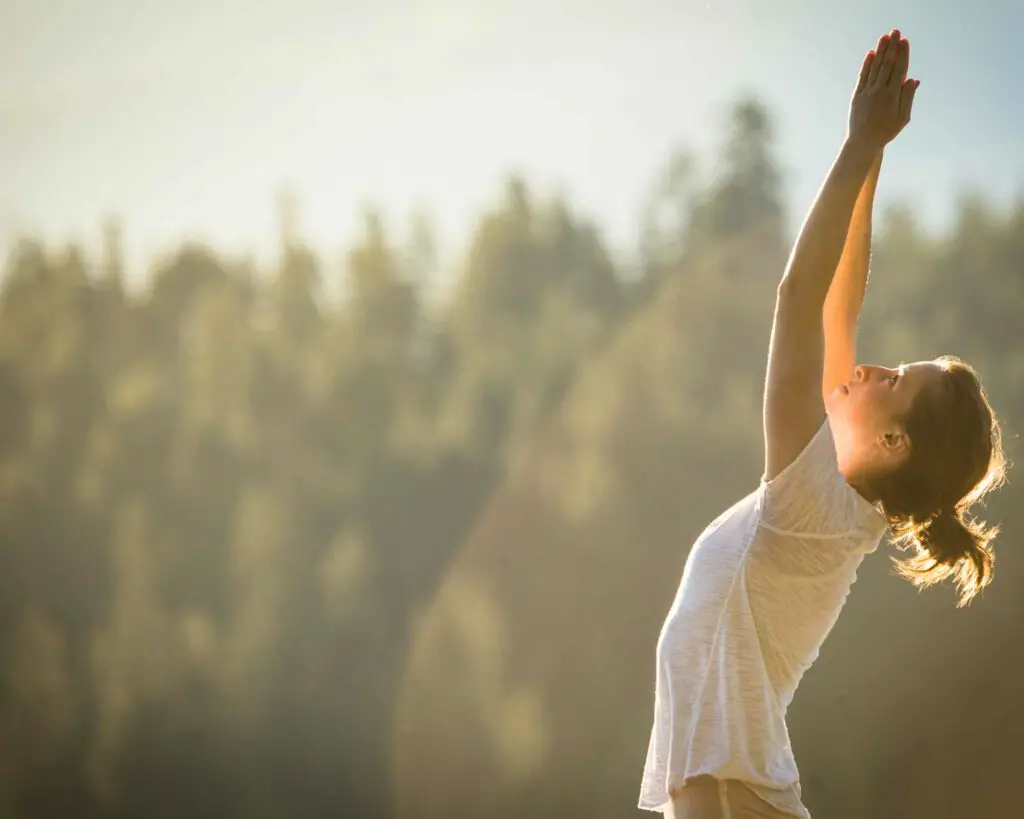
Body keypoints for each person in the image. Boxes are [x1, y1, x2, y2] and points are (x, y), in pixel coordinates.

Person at [637, 29, 1007, 819]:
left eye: (895, 380)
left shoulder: (814, 499)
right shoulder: (835, 498)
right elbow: (840, 304)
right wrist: (872, 159)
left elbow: (800, 297)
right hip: (727, 793)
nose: (872, 367)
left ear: (894, 441)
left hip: (735, 799)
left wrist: (855, 148)